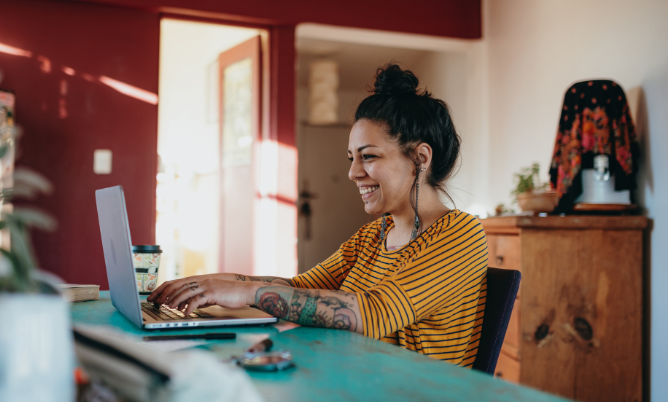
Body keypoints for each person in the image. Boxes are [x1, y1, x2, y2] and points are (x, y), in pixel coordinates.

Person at [149, 64, 488, 367]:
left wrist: (247, 294)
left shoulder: (461, 233)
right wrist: (209, 285)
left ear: (420, 157)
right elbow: (298, 289)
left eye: (368, 156)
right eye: (352, 158)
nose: (354, 173)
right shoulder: (372, 236)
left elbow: (376, 314)